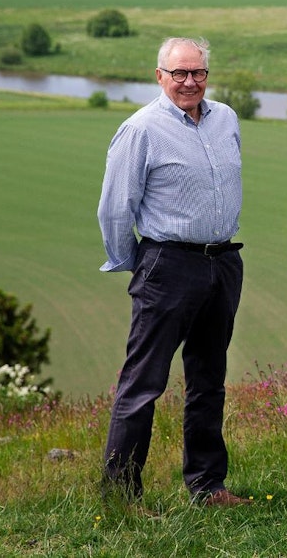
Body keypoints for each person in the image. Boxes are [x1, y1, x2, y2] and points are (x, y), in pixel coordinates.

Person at [97, 37, 249, 507]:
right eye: (179, 73)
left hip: (223, 262)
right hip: (168, 264)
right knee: (144, 383)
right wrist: (140, 266)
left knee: (208, 380)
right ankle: (121, 495)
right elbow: (115, 209)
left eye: (198, 72)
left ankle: (207, 486)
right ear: (160, 76)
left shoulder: (226, 119)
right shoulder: (140, 129)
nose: (189, 82)